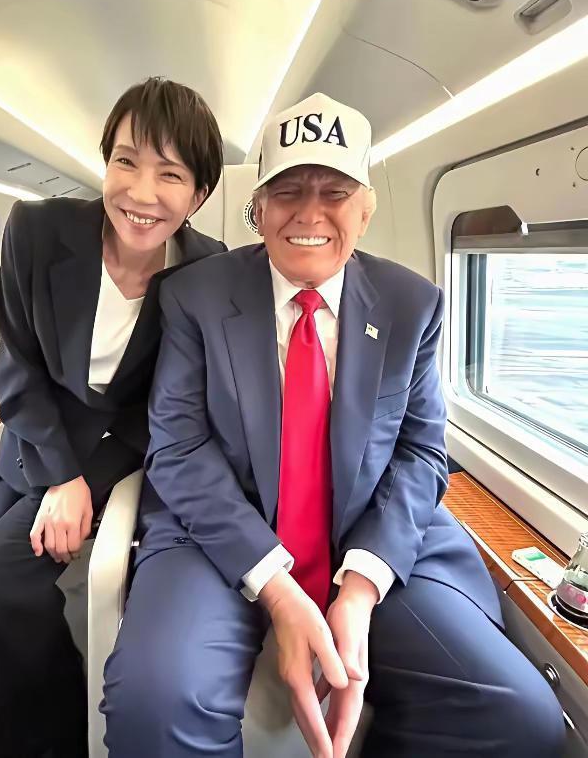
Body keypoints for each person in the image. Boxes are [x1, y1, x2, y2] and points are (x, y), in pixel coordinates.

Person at [102, 93, 565, 758]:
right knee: (156, 700)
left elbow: (420, 452)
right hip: (219, 529)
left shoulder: (412, 304)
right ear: (258, 208)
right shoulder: (195, 296)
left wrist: (361, 587)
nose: (309, 213)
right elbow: (179, 447)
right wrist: (279, 590)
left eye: (335, 192)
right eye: (287, 191)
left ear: (366, 209)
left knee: (517, 714)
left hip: (369, 529)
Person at [0, 77, 226, 758]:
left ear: (199, 195)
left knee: (3, 588)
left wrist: (94, 478)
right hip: (41, 439)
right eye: (126, 162)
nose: (141, 192)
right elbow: (18, 365)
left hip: (131, 448)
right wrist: (60, 477)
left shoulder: (208, 271)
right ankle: (44, 736)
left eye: (170, 174)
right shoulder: (36, 230)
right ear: (105, 163)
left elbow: (169, 401)